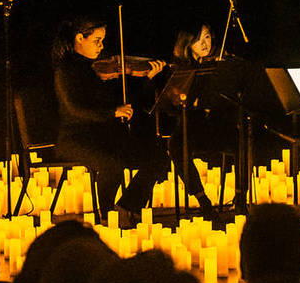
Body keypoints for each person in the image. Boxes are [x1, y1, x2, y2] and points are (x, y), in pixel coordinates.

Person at [51, 16, 171, 225]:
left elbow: (126, 103)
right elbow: (75, 109)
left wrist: (147, 80)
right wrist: (112, 112)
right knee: (112, 163)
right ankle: (107, 214)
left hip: (106, 136)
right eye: (96, 40)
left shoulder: (94, 69)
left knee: (157, 158)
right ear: (80, 38)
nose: (101, 46)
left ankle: (127, 207)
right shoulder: (66, 70)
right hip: (76, 139)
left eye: (102, 40)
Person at [163, 23, 237, 221]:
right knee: (176, 146)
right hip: (192, 127)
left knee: (244, 139)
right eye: (198, 39)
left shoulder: (219, 63)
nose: (204, 43)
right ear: (187, 43)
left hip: (218, 124)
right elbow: (170, 107)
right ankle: (203, 199)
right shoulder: (180, 69)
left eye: (207, 37)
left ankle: (241, 198)